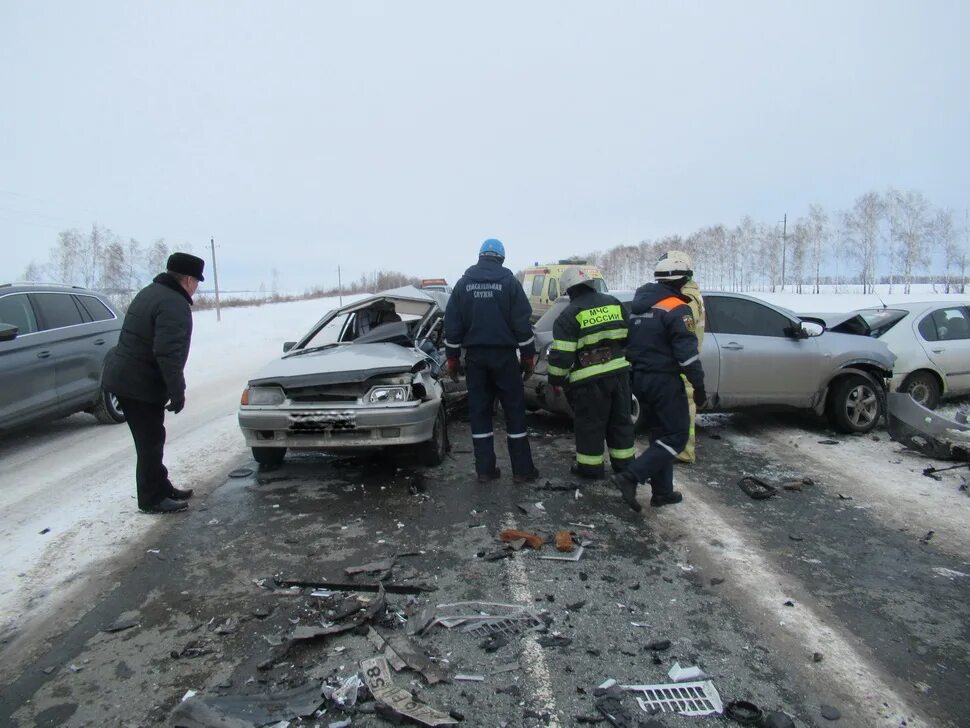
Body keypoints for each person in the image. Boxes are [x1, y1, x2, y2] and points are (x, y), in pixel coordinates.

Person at [103, 252, 204, 514]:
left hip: (129, 380)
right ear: (188, 279)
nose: (196, 287)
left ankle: (161, 486)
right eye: (197, 281)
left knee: (153, 438)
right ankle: (151, 498)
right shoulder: (173, 304)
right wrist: (177, 390)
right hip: (139, 385)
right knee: (149, 443)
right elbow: (167, 352)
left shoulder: (151, 292)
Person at [611, 251, 706, 512]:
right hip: (664, 381)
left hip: (640, 380)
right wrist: (699, 387)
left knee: (659, 435)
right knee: (676, 436)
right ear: (682, 279)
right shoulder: (677, 308)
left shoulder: (639, 307)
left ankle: (662, 492)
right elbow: (687, 356)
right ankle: (631, 476)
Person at [444, 238, 539, 483]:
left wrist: (452, 360)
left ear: (480, 256)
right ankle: (522, 471)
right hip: (505, 358)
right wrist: (528, 356)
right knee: (514, 411)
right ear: (501, 258)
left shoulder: (463, 284)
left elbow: (452, 326)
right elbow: (522, 323)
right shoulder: (509, 283)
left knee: (480, 413)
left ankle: (485, 470)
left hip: (475, 359)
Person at [546, 268, 634, 479]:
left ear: (569, 290)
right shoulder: (613, 303)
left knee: (590, 426)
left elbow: (562, 357)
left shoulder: (569, 315)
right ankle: (625, 467)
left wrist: (555, 380)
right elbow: (629, 337)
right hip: (619, 376)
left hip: (589, 382)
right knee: (621, 422)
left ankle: (590, 469)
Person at [665, 251, 705, 464]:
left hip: (684, 364)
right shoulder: (691, 293)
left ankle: (684, 451)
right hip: (686, 362)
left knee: (685, 411)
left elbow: (682, 334)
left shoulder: (686, 299)